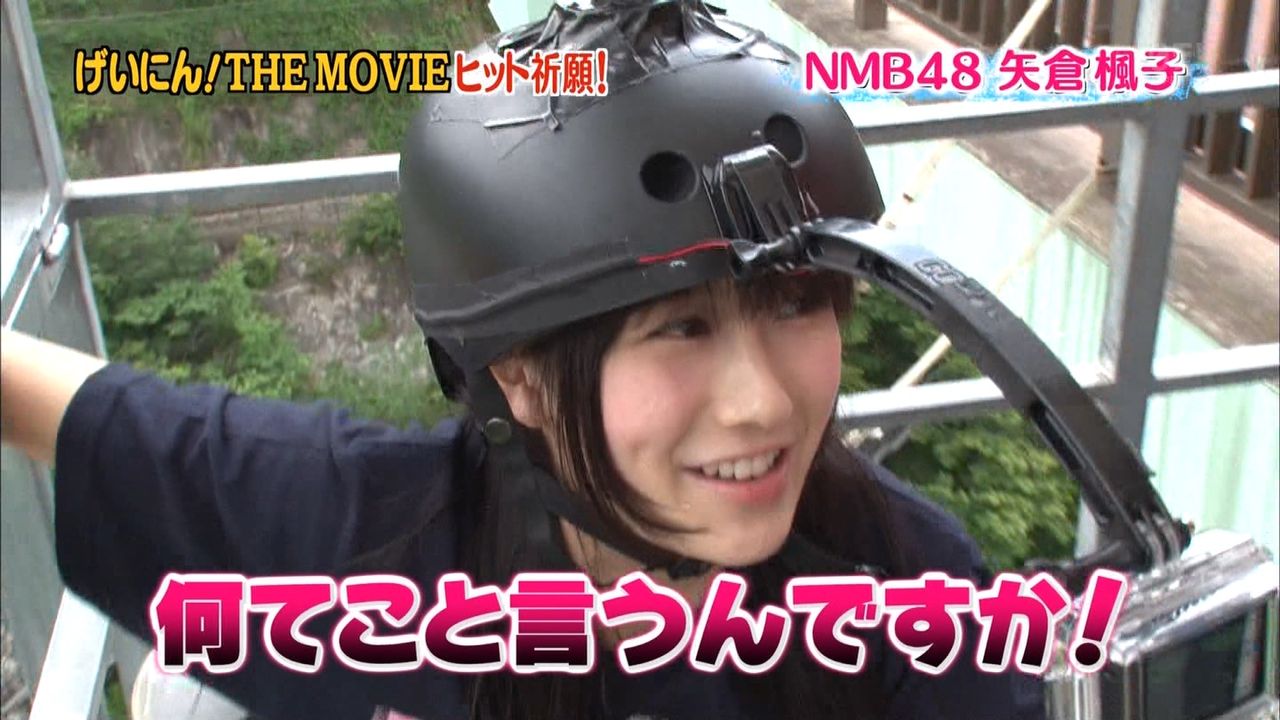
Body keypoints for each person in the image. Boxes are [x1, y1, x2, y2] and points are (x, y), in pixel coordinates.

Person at [1, 2, 1046, 719]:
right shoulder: (366, 543)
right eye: (680, 328)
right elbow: (79, 412)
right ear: (519, 375)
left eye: (795, 301)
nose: (762, 401)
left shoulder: (911, 598)